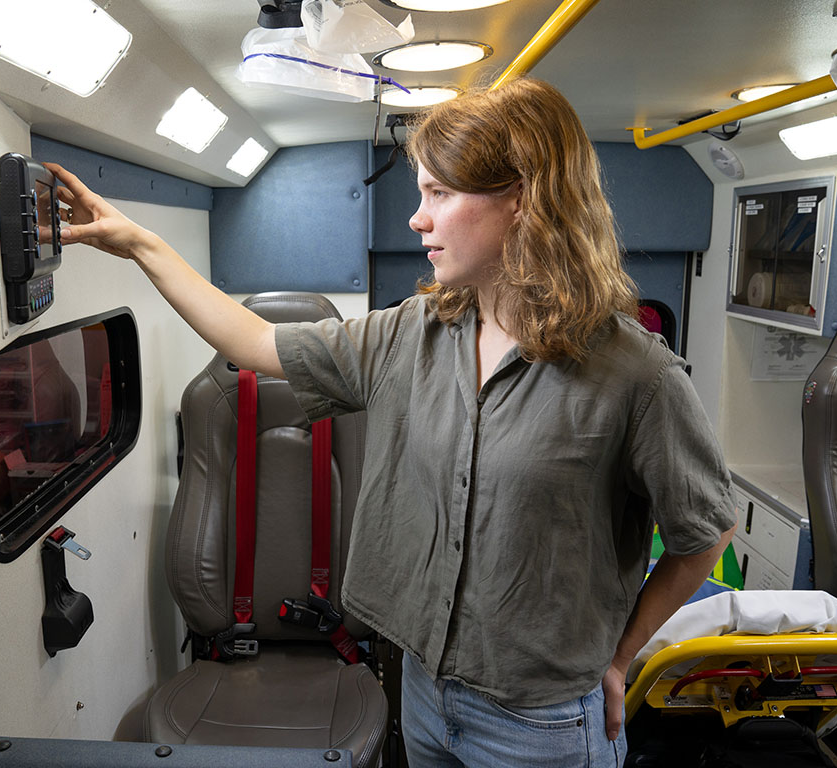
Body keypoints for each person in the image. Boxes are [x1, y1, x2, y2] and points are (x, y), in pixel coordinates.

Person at [45, 76, 737, 768]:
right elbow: (253, 344)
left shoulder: (635, 374)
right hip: (425, 694)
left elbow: (704, 533)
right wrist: (142, 245)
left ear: (523, 198)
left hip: (543, 723)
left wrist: (620, 655)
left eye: (440, 193)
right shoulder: (415, 333)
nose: (417, 217)